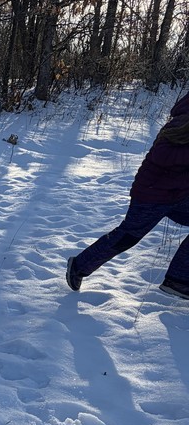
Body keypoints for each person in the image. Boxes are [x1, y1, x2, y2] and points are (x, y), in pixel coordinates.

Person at [66, 89, 189, 299]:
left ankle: (178, 280)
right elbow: (163, 155)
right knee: (128, 236)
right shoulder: (181, 125)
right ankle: (79, 266)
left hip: (178, 194)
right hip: (152, 194)